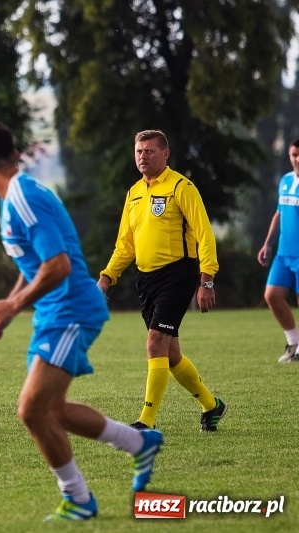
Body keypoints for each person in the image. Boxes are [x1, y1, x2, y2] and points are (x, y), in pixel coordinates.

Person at [0, 121, 163, 521]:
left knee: (31, 410)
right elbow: (38, 261)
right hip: (56, 311)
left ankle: (78, 498)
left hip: (70, 308)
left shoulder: (23, 197)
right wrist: (12, 303)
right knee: (50, 409)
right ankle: (138, 444)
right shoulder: (15, 197)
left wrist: (12, 305)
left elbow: (57, 266)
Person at [96, 129, 227, 432]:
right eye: (139, 151)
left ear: (165, 154)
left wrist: (206, 280)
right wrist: (106, 277)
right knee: (170, 354)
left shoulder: (182, 187)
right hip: (147, 279)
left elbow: (205, 234)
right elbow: (125, 244)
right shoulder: (134, 193)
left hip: (179, 274)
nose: (143, 156)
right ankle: (212, 405)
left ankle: (146, 421)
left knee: (155, 343)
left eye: (150, 151)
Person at [257, 139, 299, 363]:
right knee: (272, 295)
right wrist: (267, 244)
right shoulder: (285, 180)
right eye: (294, 154)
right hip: (283, 254)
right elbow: (279, 213)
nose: (297, 159)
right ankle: (294, 343)